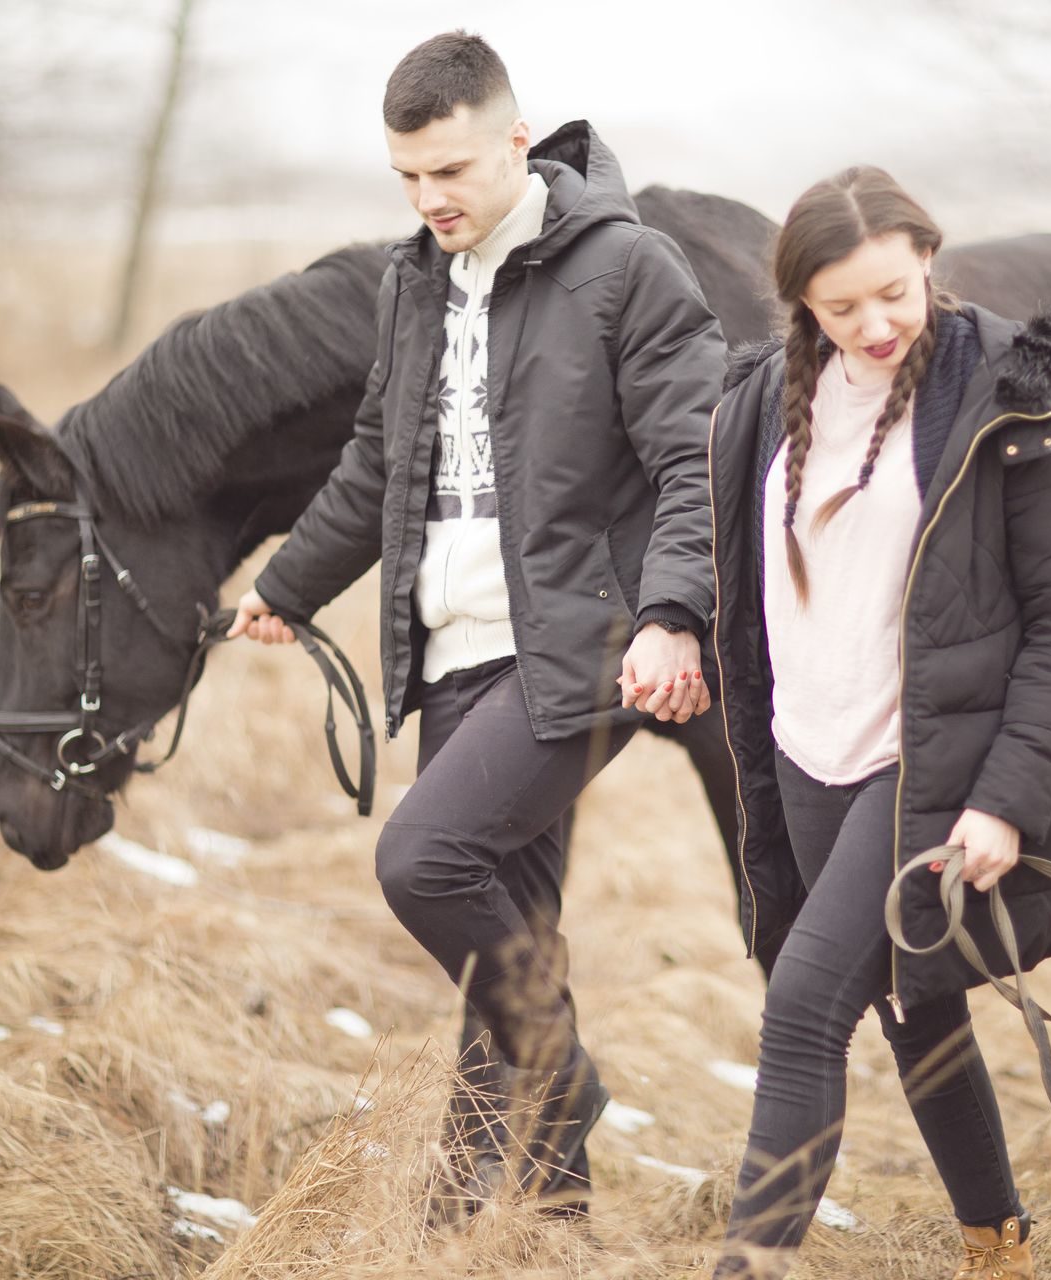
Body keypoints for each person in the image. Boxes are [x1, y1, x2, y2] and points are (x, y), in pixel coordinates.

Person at [228, 31, 722, 1219]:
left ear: (515, 138)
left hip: (575, 647)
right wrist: (289, 583)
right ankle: (532, 1221)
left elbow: (696, 454)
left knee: (425, 859)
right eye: (406, 176)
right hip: (448, 647)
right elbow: (379, 459)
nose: (429, 198)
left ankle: (562, 1086)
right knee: (520, 938)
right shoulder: (415, 278)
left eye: (449, 170)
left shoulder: (626, 268)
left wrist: (673, 614)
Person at [705, 167, 1051, 1279]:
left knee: (803, 1008)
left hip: (930, 759)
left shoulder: (1010, 393)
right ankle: (999, 1240)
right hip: (805, 747)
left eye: (895, 291)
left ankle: (749, 1263)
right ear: (802, 303)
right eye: (843, 306)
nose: (877, 323)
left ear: (928, 256)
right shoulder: (760, 397)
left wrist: (1003, 799)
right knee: (913, 1002)